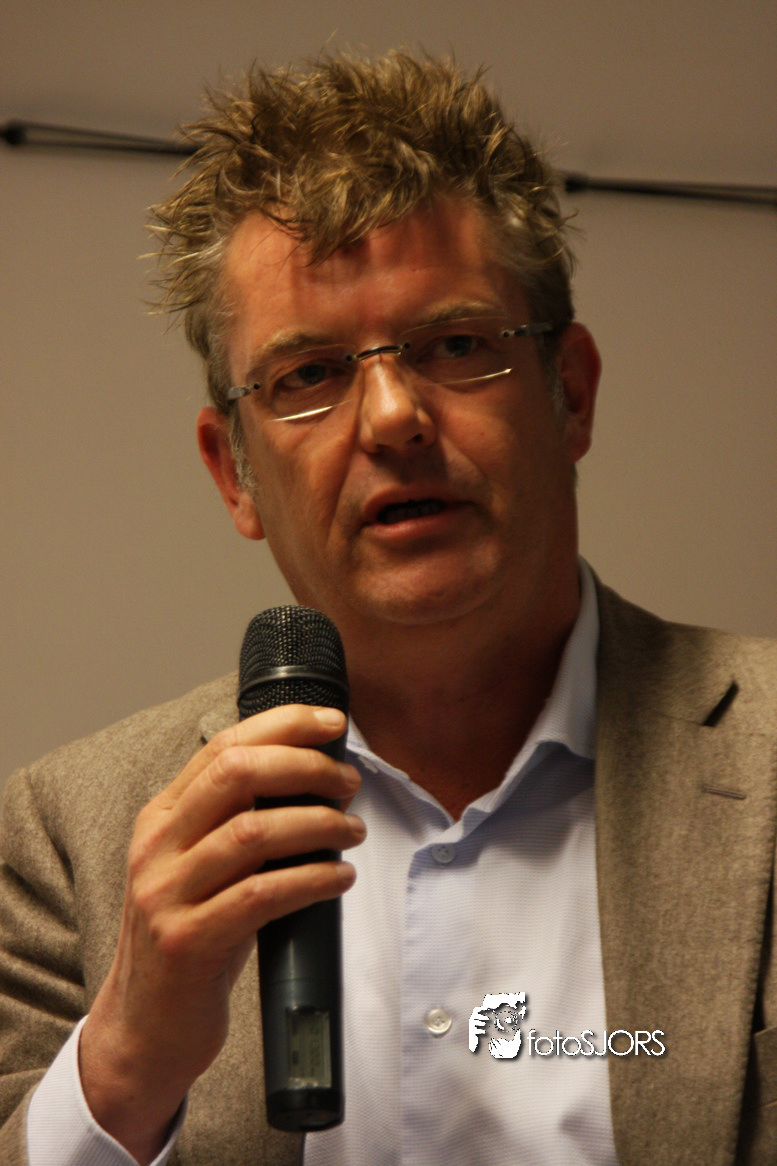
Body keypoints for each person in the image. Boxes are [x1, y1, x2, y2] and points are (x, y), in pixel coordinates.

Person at [1, 50, 776, 1166]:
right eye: (309, 374)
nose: (392, 416)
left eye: (456, 346)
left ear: (571, 394)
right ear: (233, 474)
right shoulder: (68, 839)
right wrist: (122, 1064)